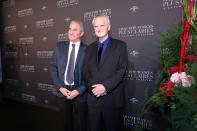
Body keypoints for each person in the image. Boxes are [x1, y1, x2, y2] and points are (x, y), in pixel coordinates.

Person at [82, 14, 128, 131]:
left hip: (112, 100)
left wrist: (105, 87)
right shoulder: (89, 48)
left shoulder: (120, 46)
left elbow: (121, 70)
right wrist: (94, 89)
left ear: (108, 27)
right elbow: (85, 71)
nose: (98, 28)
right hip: (93, 100)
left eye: (102, 25)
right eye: (96, 26)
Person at [50, 20, 87, 131]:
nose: (70, 32)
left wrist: (78, 90)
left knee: (82, 124)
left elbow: (90, 75)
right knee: (67, 124)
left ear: (81, 33)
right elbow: (53, 67)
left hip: (80, 93)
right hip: (62, 92)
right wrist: (60, 87)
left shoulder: (88, 50)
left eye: (75, 29)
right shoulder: (59, 46)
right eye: (69, 29)